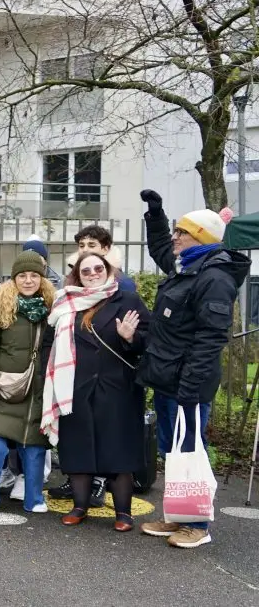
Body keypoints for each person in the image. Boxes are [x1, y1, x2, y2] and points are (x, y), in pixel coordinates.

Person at [137, 190, 246, 548]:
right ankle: (177, 516)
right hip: (170, 379)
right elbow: (159, 249)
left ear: (200, 237)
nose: (175, 237)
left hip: (189, 384)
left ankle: (197, 525)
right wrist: (155, 214)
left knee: (190, 451)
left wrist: (191, 384)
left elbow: (211, 339)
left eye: (182, 232)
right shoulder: (188, 266)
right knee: (173, 449)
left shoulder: (213, 278)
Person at [41, 253, 150, 532]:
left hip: (118, 389)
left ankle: (123, 513)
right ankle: (79, 507)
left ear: (108, 270)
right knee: (78, 450)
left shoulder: (127, 300)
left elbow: (149, 340)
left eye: (98, 268)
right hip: (74, 389)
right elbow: (50, 345)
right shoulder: (66, 303)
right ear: (78, 275)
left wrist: (130, 338)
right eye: (85, 270)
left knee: (118, 451)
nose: (92, 274)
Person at [0, 251, 55, 516]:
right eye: (22, 276)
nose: (28, 281)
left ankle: (34, 498)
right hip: (1, 389)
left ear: (42, 278)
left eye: (34, 275)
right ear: (14, 278)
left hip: (37, 391)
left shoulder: (52, 307)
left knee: (34, 446)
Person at [73, 225, 136, 292]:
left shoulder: (121, 282)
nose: (85, 250)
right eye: (81, 246)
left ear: (105, 249)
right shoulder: (74, 276)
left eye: (91, 246)